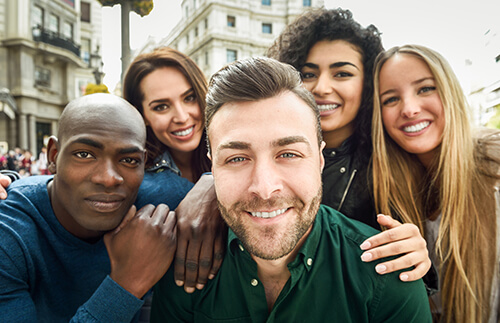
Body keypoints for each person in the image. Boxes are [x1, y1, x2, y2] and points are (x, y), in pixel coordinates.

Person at [150, 57, 432, 322]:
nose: (264, 188)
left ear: (320, 159)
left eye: (288, 154)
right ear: (214, 169)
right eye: (237, 159)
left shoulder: (388, 277)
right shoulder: (182, 273)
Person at [267, 7, 431, 283]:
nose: (321, 87)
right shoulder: (264, 153)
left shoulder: (394, 162)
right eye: (308, 74)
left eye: (342, 74)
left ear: (367, 84)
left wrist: (415, 252)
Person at [0, 93, 192, 321]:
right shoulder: (9, 233)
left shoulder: (159, 201)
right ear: (53, 155)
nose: (109, 178)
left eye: (129, 160)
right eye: (84, 154)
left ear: (143, 161)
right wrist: (127, 283)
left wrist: (209, 190)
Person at [371, 44, 500, 322]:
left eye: (425, 89)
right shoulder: (387, 189)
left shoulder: (495, 169)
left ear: (449, 92)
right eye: (390, 99)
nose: (409, 109)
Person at [123, 47, 223, 293]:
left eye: (189, 98)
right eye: (161, 107)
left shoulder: (239, 151)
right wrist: (10, 182)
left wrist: (214, 182)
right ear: (142, 115)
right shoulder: (136, 183)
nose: (181, 116)